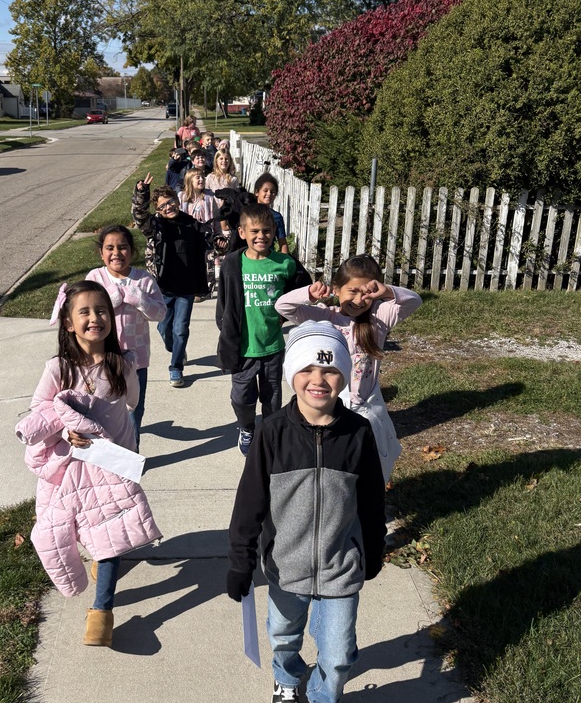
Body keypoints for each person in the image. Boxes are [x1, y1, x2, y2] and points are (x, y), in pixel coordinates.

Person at [225, 321, 387, 703]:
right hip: (286, 565)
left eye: (332, 371)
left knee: (338, 653)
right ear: (293, 373)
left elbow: (371, 499)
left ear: (345, 376)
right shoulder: (271, 432)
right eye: (308, 370)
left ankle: (326, 702)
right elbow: (250, 503)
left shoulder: (357, 433)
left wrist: (374, 546)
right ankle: (287, 678)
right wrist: (240, 560)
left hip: (341, 566)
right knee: (283, 635)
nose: (319, 380)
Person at [15, 281, 161, 648]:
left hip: (111, 465)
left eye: (102, 311)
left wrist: (125, 456)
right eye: (85, 312)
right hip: (69, 469)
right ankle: (97, 564)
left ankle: (102, 611)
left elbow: (131, 403)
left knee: (107, 534)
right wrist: (65, 432)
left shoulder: (120, 363)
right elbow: (40, 412)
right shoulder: (57, 369)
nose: (95, 318)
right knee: (77, 529)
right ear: (68, 323)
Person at [275, 254, 422, 482]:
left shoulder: (379, 318)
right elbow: (282, 306)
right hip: (332, 406)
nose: (359, 299)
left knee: (373, 464)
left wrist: (386, 292)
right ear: (337, 289)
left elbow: (414, 301)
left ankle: (370, 504)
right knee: (338, 463)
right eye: (352, 291)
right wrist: (309, 294)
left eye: (366, 293)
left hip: (367, 406)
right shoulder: (324, 316)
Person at [216, 203, 311, 455]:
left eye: (267, 231)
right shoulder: (232, 263)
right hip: (243, 348)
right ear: (242, 232)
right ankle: (247, 427)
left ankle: (271, 435)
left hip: (272, 346)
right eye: (255, 231)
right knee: (241, 398)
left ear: (274, 231)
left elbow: (304, 288)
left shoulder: (285, 263)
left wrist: (285, 315)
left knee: (272, 399)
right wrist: (225, 329)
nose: (261, 236)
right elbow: (223, 302)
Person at [132, 175, 225, 387]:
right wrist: (142, 193)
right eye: (163, 205)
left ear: (178, 200)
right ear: (157, 209)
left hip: (187, 288)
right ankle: (177, 349)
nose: (168, 207)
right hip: (162, 288)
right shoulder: (155, 226)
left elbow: (213, 243)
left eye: (171, 202)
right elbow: (139, 216)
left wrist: (221, 243)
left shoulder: (193, 224)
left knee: (181, 328)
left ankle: (176, 367)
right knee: (164, 329)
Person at [86, 225, 166, 446]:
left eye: (122, 247)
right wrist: (108, 302)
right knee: (101, 410)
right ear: (101, 253)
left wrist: (140, 300)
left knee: (133, 412)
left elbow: (160, 313)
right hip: (100, 359)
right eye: (109, 248)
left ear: (132, 251)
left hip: (136, 361)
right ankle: (105, 453)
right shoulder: (95, 278)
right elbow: (83, 311)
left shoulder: (143, 280)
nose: (116, 253)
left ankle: (130, 455)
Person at [179, 168, 222, 300]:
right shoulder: (182, 197)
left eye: (202, 177)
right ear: (189, 181)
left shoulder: (209, 197)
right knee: (191, 261)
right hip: (188, 233)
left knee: (207, 262)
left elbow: (216, 217)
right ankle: (191, 288)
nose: (201, 179)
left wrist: (218, 235)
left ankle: (206, 290)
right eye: (197, 177)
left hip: (206, 233)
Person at [207, 148, 252, 253]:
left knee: (225, 239)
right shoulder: (210, 177)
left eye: (226, 159)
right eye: (221, 159)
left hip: (227, 212)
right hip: (214, 211)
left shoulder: (233, 179)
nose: (224, 161)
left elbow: (236, 197)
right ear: (216, 161)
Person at [253, 172, 289, 254]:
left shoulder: (277, 217)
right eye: (265, 190)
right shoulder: (248, 214)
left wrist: (287, 262)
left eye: (272, 192)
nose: (269, 194)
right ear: (257, 192)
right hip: (249, 258)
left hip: (269, 259)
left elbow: (282, 242)